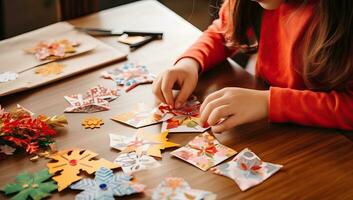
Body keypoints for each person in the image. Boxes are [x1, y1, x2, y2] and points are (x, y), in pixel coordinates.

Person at [152, 0, 353, 132]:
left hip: (333, 144)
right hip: (275, 127)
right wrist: (190, 62)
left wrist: (269, 102)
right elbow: (222, 32)